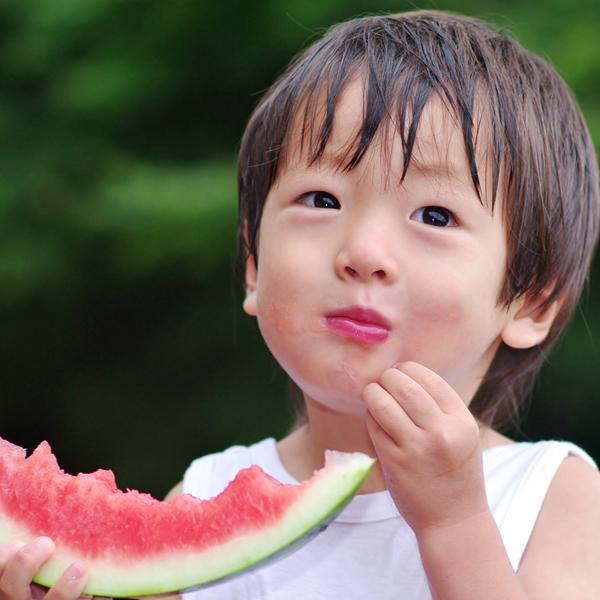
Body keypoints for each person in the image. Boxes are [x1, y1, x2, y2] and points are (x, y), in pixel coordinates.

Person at [2, 9, 599, 600]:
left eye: (434, 216)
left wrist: (455, 523)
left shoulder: (554, 495)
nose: (363, 252)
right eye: (321, 198)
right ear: (254, 266)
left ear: (531, 303)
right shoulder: (202, 492)